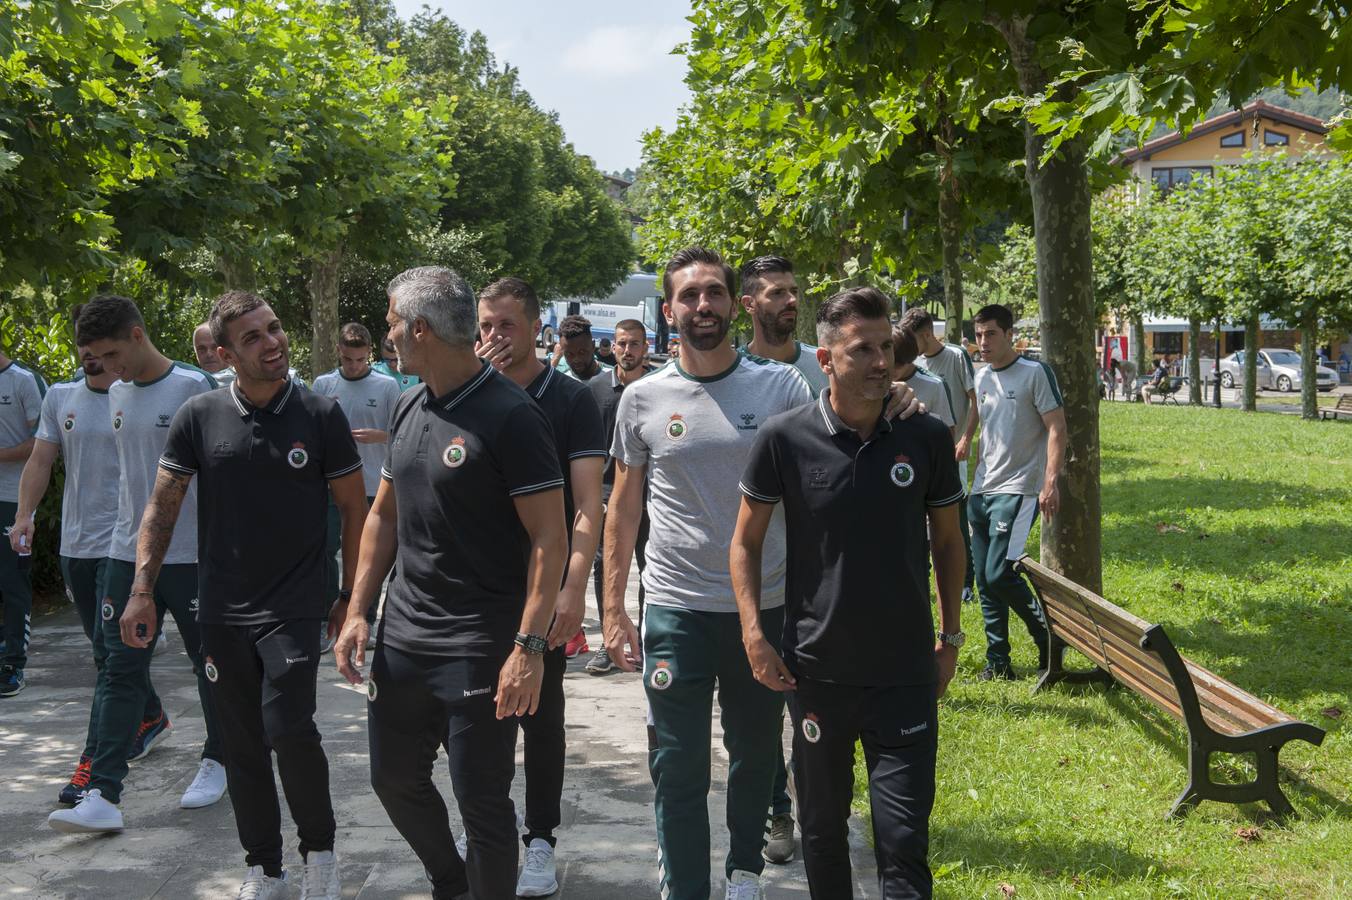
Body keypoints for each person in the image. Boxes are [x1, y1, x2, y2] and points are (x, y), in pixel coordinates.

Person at [602, 247, 920, 900]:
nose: (702, 306)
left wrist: (894, 393)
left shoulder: (780, 389)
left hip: (768, 607)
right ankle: (685, 887)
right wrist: (613, 608)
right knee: (678, 764)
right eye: (688, 296)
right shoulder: (641, 399)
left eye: (713, 292)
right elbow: (623, 506)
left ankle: (743, 870)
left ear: (731, 302)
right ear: (670, 312)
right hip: (676, 607)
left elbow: (844, 427)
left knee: (755, 758)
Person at [333, 266, 568, 900]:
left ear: (420, 329)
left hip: (481, 644)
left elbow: (551, 538)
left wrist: (529, 647)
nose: (387, 337)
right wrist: (358, 610)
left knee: (482, 803)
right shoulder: (409, 402)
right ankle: (451, 881)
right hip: (404, 637)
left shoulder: (512, 417)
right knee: (392, 780)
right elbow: (383, 514)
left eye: (391, 324)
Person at [130, 292, 368, 899]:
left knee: (290, 728)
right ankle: (264, 867)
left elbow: (354, 509)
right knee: (242, 744)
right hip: (222, 609)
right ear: (226, 353)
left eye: (275, 328)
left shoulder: (319, 414)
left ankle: (321, 857)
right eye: (254, 337)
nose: (273, 342)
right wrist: (142, 589)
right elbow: (163, 505)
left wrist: (351, 596)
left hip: (295, 605)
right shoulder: (200, 415)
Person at [731, 286, 966, 899]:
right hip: (818, 674)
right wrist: (754, 632)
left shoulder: (926, 437)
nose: (880, 361)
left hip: (905, 675)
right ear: (826, 359)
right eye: (862, 349)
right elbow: (745, 542)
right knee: (822, 834)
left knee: (903, 841)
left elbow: (947, 542)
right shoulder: (785, 438)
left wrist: (951, 637)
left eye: (885, 346)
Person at [47, 294, 225, 834]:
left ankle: (219, 760)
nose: (104, 366)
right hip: (128, 556)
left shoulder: (194, 388)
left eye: (109, 353)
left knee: (210, 666)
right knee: (119, 669)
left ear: (137, 335)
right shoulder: (118, 392)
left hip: (193, 556)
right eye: (93, 356)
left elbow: (219, 480)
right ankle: (102, 792)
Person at [476, 276, 606, 896]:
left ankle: (541, 839)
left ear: (536, 329)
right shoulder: (465, 394)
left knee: (541, 715)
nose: (493, 338)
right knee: (478, 716)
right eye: (484, 327)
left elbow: (587, 505)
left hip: (542, 580)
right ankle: (489, 832)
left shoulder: (572, 400)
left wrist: (573, 588)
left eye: (505, 325)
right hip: (475, 587)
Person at [12, 337, 168, 803]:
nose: (90, 354)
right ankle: (151, 715)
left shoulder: (140, 394)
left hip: (122, 546)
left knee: (109, 660)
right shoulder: (61, 395)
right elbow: (41, 459)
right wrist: (24, 515)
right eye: (82, 344)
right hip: (75, 545)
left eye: (99, 346)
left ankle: (93, 767)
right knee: (107, 654)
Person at [969, 304, 1066, 681]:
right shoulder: (981, 378)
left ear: (1011, 335)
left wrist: (1050, 481)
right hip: (981, 491)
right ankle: (998, 662)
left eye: (991, 334)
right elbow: (985, 429)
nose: (983, 342)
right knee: (984, 581)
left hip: (1019, 490)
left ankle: (1048, 640)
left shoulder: (1035, 373)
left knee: (998, 574)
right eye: (978, 335)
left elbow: (1057, 427)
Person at [312, 323, 401, 647]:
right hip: (331, 485)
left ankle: (367, 618)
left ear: (369, 356)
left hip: (373, 485)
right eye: (349, 360)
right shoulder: (323, 384)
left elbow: (404, 434)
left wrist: (381, 436)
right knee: (323, 551)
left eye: (361, 360)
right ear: (339, 352)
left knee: (371, 554)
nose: (354, 366)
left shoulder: (387, 386)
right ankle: (327, 618)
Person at [584, 318, 654, 676]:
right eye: (622, 344)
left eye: (635, 344)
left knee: (650, 568)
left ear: (646, 348)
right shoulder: (594, 390)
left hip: (653, 497)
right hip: (608, 495)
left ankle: (644, 641)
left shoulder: (659, 387)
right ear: (612, 347)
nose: (628, 351)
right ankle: (607, 643)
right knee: (606, 567)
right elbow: (588, 452)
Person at [902, 307, 978, 604]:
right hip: (923, 458)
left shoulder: (957, 356)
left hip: (953, 452)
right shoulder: (915, 362)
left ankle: (966, 583)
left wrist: (966, 439)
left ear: (926, 335)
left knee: (956, 520)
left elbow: (975, 400)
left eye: (913, 340)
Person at [0, 349, 46, 696]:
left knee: (13, 581)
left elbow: (41, 444)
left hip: (14, 500)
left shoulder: (23, 380)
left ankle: (14, 664)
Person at [738, 255, 828, 395]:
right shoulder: (733, 370)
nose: (792, 300)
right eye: (777, 293)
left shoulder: (824, 365)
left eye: (794, 291)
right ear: (749, 304)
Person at [891, 324, 957, 434]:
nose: (892, 370)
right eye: (890, 363)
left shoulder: (936, 385)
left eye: (899, 364)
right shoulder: (877, 380)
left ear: (910, 357)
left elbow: (948, 431)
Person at [555, 315, 609, 382]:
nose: (576, 360)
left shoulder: (613, 377)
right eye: (569, 354)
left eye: (582, 352)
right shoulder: (561, 381)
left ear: (593, 346)